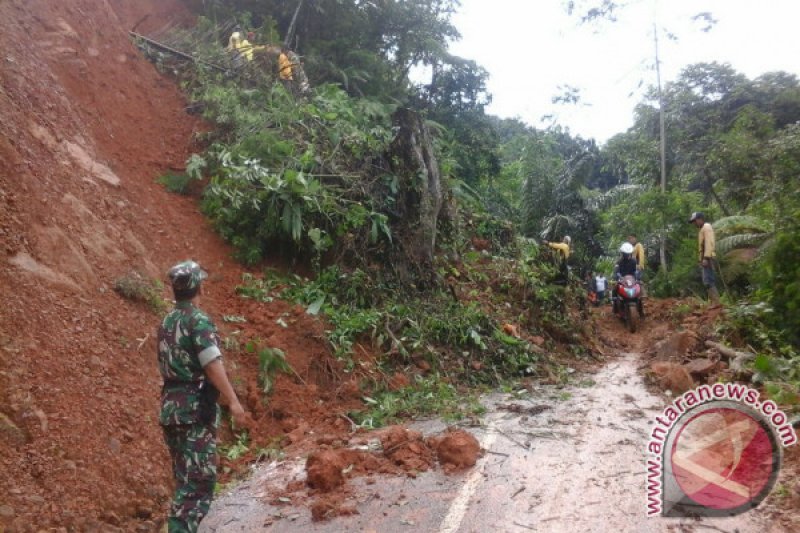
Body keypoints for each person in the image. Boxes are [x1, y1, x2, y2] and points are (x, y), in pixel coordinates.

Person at [158, 260, 249, 532]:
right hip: (194, 410)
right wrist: (233, 400)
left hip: (171, 409)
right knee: (198, 485)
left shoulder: (167, 321)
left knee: (185, 482)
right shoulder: (197, 320)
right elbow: (211, 364)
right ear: (199, 287)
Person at [689, 212, 720, 305]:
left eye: (695, 221)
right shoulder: (702, 229)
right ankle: (713, 302)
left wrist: (706, 258)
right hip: (706, 258)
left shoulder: (706, 227)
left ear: (700, 219)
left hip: (708, 258)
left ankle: (716, 303)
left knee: (708, 281)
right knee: (707, 280)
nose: (694, 223)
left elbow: (709, 243)